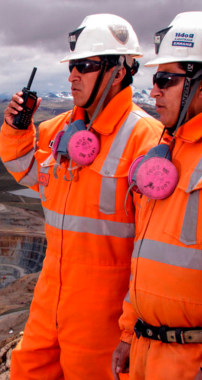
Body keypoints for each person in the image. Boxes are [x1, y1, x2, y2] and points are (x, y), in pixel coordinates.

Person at [0, 14, 164, 380]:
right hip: (49, 303)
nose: (73, 75)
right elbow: (27, 171)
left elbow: (154, 255)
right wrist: (16, 128)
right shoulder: (57, 130)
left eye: (85, 66)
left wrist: (128, 330)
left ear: (119, 72)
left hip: (102, 320)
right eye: (73, 66)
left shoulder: (149, 142)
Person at [112, 12, 202, 380]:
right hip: (148, 351)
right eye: (154, 79)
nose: (153, 91)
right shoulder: (164, 155)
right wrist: (129, 334)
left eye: (166, 79)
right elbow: (146, 259)